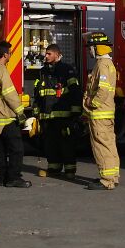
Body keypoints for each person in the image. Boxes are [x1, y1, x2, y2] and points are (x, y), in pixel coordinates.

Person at [33, 43, 81, 179]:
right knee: (50, 143)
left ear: (57, 55)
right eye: (45, 54)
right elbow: (37, 93)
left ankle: (70, 170)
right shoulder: (42, 72)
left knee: (66, 143)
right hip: (47, 116)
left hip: (64, 115)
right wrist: (36, 110)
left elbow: (75, 91)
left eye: (49, 54)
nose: (46, 56)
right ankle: (54, 168)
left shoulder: (67, 70)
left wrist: (76, 112)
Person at [0, 41, 30, 187]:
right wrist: (20, 112)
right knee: (16, 149)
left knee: (1, 151)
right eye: (10, 53)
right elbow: (8, 93)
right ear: (5, 54)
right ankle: (14, 178)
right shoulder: (2, 70)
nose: (10, 55)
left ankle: (2, 177)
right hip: (6, 117)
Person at [82, 33, 120, 191]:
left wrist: (91, 104)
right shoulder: (106, 63)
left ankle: (106, 180)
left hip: (100, 114)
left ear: (97, 48)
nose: (89, 50)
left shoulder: (102, 65)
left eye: (90, 47)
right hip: (105, 113)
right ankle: (112, 176)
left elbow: (102, 90)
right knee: (109, 144)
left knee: (101, 145)